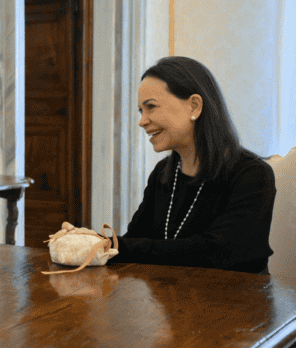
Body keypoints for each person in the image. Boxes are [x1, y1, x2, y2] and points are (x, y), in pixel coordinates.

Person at [109, 56, 276, 273]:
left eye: (151, 107)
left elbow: (219, 253)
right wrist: (86, 243)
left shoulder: (252, 174)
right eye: (141, 111)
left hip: (236, 302)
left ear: (194, 106)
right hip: (169, 301)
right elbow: (133, 244)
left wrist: (115, 246)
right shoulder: (163, 173)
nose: (142, 121)